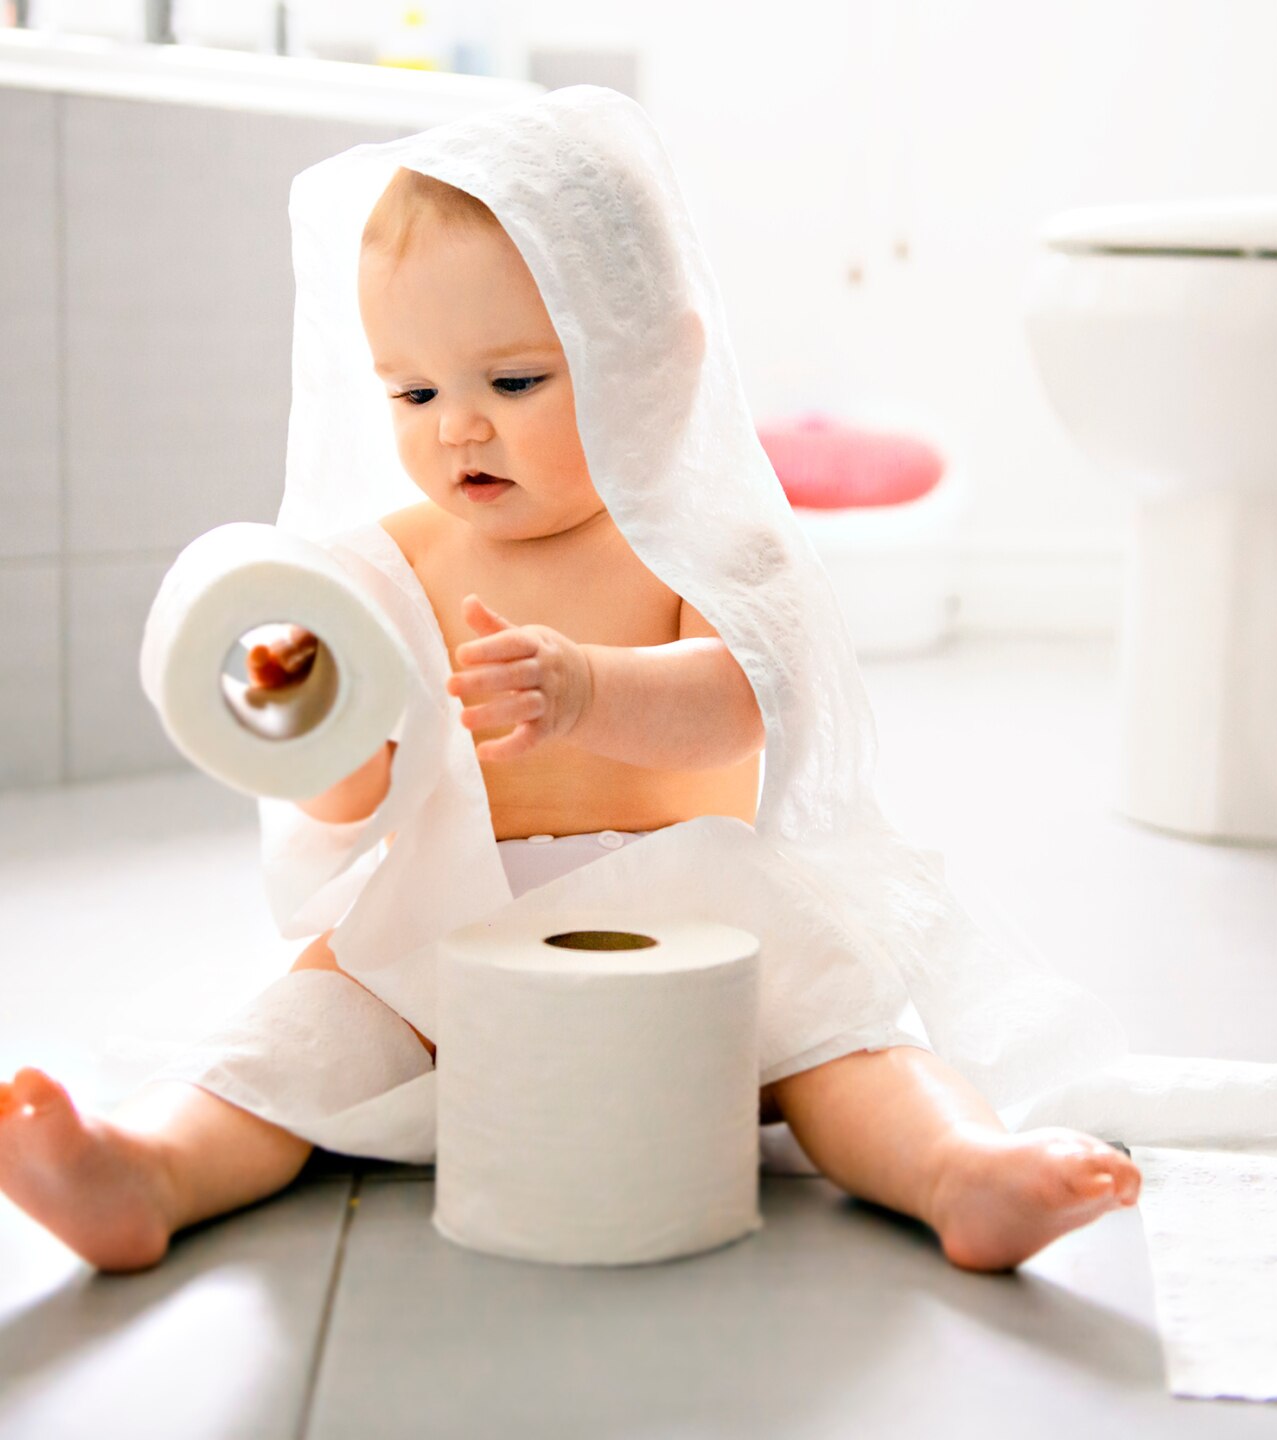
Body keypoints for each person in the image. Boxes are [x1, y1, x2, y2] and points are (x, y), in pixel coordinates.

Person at [0, 90, 1139, 1277]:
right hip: (459, 905)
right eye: (415, 393)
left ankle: (959, 1169)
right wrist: (311, 731)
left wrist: (591, 692)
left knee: (842, 1043)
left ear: (658, 364)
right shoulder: (389, 563)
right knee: (305, 1023)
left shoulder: (705, 546)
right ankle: (149, 1168)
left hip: (700, 906)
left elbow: (747, 698)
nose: (460, 433)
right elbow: (350, 805)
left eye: (515, 383)